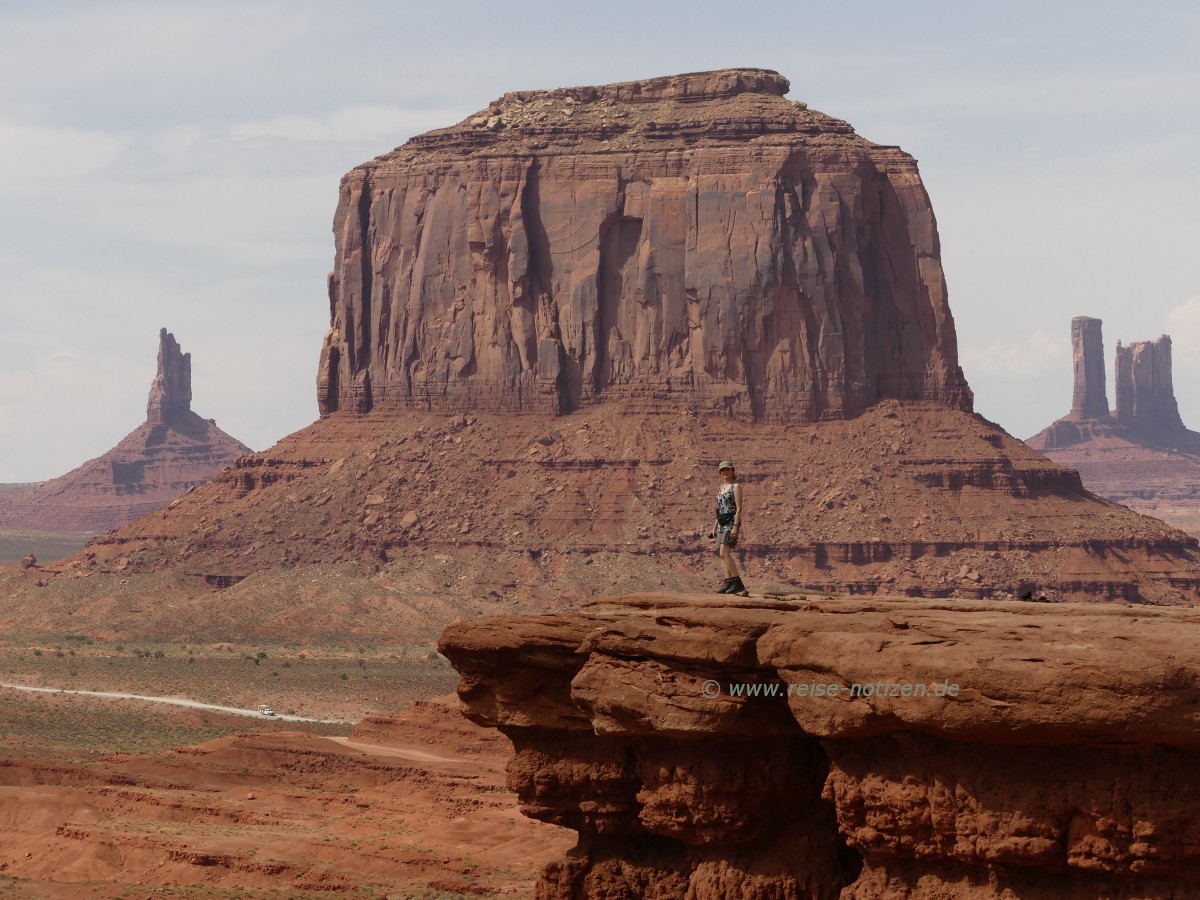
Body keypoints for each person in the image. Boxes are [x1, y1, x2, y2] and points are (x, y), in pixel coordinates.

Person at [711, 460, 745, 594]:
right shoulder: (721, 487)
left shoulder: (735, 487)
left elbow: (739, 508)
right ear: (720, 472)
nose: (725, 472)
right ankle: (728, 582)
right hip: (721, 523)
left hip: (731, 522)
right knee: (721, 555)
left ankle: (737, 583)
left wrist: (735, 526)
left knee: (725, 553)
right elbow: (719, 510)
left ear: (733, 470)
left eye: (727, 469)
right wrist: (713, 528)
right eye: (723, 470)